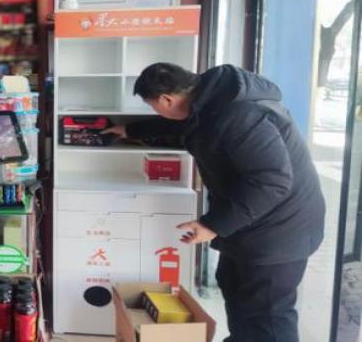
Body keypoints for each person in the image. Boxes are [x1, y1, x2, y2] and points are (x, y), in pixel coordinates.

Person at [103, 63, 325, 342]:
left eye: (153, 106)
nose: (156, 112)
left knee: (268, 314)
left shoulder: (240, 116)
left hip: (279, 230)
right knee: (234, 288)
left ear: (167, 99)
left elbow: (272, 180)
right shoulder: (210, 102)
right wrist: (130, 130)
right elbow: (182, 121)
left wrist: (213, 225)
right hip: (251, 222)